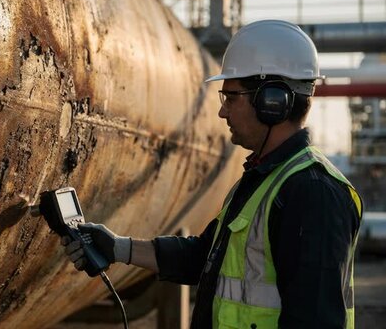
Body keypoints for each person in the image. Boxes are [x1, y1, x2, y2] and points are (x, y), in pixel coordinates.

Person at [62, 20, 363, 328]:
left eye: (231, 97)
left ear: (273, 102)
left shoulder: (313, 194)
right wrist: (117, 247)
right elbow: (202, 257)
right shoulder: (263, 180)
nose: (222, 112)